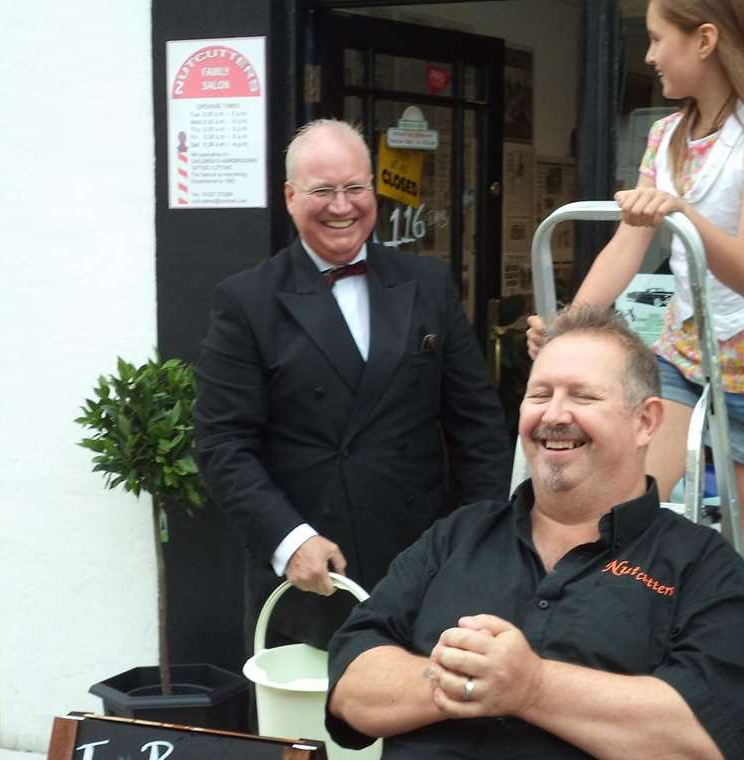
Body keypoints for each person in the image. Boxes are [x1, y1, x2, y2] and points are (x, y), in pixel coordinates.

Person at [326, 307, 744, 759]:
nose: (555, 415)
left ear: (645, 421)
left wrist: (533, 687)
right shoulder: (457, 537)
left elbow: (709, 737)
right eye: (539, 394)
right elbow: (350, 684)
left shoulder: (703, 567)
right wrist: (464, 679)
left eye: (583, 397)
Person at [526, 0, 744, 695]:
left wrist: (680, 212)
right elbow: (627, 246)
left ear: (704, 40)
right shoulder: (665, 138)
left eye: (659, 40)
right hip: (687, 352)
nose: (650, 56)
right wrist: (567, 330)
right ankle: (610, 674)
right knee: (626, 513)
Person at [194, 119, 511, 647]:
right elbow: (222, 442)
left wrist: (477, 540)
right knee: (310, 726)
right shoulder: (246, 301)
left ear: (373, 189)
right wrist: (289, 540)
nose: (342, 206)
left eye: (355, 188)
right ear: (291, 198)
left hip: (423, 562)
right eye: (322, 191)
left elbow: (478, 427)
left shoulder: (428, 284)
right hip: (312, 572)